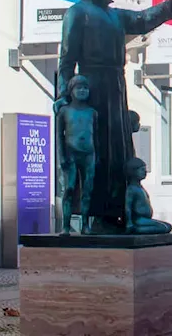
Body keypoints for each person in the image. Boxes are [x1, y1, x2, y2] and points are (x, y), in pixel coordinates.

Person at [56, 0, 172, 233]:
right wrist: (65, 95)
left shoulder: (115, 15)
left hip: (116, 85)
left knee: (118, 148)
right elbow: (67, 59)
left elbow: (142, 20)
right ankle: (95, 215)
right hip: (92, 84)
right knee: (97, 150)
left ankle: (119, 209)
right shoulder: (77, 13)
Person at [56, 75, 97, 235]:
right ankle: (66, 225)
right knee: (69, 189)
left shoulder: (92, 112)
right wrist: (62, 157)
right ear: (71, 91)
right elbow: (59, 136)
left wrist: (97, 155)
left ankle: (85, 224)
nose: (82, 91)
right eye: (78, 88)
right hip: (71, 153)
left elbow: (97, 136)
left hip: (89, 154)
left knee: (87, 190)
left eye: (85, 88)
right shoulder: (64, 111)